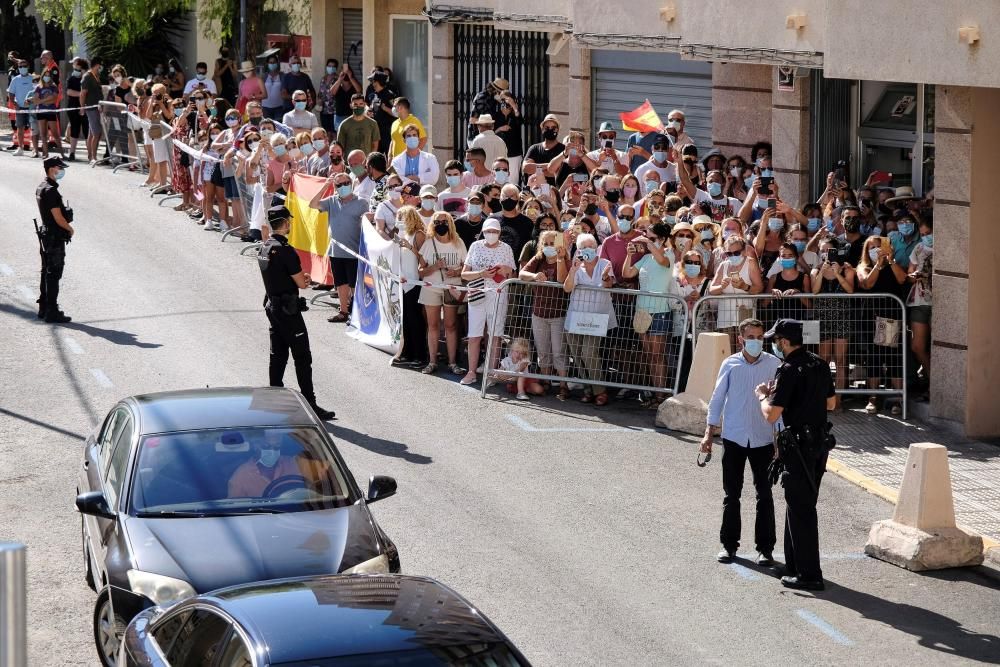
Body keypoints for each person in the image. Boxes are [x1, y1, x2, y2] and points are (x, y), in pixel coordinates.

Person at [758, 319, 837, 591]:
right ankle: (793, 565)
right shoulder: (819, 363)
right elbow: (831, 402)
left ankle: (809, 574)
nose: (774, 344)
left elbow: (772, 414)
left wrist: (763, 397)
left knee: (801, 508)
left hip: (799, 447)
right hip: (818, 444)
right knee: (800, 505)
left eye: (776, 340)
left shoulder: (789, 369)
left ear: (784, 341)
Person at [701, 318, 781, 565]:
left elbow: (779, 405)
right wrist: (708, 433)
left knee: (764, 495)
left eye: (760, 337)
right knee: (731, 494)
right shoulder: (730, 364)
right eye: (751, 337)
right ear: (741, 339)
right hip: (734, 437)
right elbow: (717, 399)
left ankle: (765, 550)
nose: (756, 341)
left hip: (763, 439)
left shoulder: (774, 364)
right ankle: (728, 545)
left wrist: (778, 441)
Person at [257, 207, 335, 420]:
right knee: (302, 357)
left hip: (272, 306)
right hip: (287, 310)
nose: (290, 224)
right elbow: (301, 282)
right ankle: (310, 404)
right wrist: (306, 279)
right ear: (284, 223)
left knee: (278, 354)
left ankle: (274, 400)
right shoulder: (285, 249)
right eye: (289, 221)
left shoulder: (265, 246)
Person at [460, 218, 516, 385]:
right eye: (488, 231)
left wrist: (506, 271)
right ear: (483, 232)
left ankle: (491, 373)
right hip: (477, 292)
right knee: (474, 335)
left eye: (495, 231)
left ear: (500, 233)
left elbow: (512, 276)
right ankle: (471, 372)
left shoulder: (506, 249)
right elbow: (464, 274)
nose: (491, 234)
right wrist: (481, 274)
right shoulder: (475, 247)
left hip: (498, 295)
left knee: (495, 335)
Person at [562, 233, 616, 405]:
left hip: (597, 317)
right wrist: (573, 270)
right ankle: (587, 389)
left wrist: (606, 277)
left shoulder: (605, 264)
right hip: (576, 315)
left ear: (596, 248)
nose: (588, 250)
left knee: (588, 352)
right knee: (577, 354)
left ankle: (600, 390)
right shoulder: (576, 265)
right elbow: (567, 288)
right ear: (579, 250)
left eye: (591, 246)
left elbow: (608, 285)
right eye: (584, 247)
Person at [309, 172, 370, 323]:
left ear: (351, 184)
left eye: (345, 183)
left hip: (354, 252)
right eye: (339, 185)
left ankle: (357, 314)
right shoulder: (331, 201)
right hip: (336, 251)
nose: (343, 187)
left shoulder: (362, 202)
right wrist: (325, 186)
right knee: (341, 284)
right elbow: (312, 204)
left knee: (354, 284)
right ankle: (343, 311)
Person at [418, 211, 467, 376]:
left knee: (451, 325)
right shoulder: (428, 243)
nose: (441, 225)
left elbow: (466, 267)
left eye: (444, 222)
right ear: (432, 224)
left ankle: (452, 362)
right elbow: (421, 271)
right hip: (431, 287)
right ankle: (432, 361)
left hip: (451, 288)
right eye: (437, 222)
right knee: (432, 325)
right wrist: (434, 267)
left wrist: (457, 272)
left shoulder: (458, 243)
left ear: (450, 223)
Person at [35, 157, 74, 323]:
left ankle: (44, 306)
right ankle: (51, 310)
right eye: (60, 168)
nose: (62, 171)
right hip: (54, 236)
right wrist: (70, 229)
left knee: (46, 271)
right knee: (54, 273)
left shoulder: (41, 187)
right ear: (52, 169)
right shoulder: (50, 190)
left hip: (47, 234)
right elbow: (57, 217)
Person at [906, 219, 933, 397]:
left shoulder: (947, 248)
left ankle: (934, 388)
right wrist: (915, 275)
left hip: (939, 300)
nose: (926, 238)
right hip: (919, 300)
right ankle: (934, 382)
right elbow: (909, 274)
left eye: (928, 233)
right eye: (922, 235)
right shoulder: (918, 248)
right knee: (917, 346)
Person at [522, 114, 564, 185]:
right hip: (535, 190)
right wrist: (551, 166)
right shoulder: (534, 148)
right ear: (542, 130)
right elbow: (526, 168)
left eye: (553, 128)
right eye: (547, 128)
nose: (550, 130)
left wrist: (536, 169)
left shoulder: (564, 150)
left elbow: (562, 173)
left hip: (555, 192)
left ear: (558, 130)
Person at [7, 59, 34, 157]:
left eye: (24, 66)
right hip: (20, 108)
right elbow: (10, 93)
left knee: (34, 128)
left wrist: (34, 103)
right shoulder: (15, 79)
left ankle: (35, 149)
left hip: (32, 108)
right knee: (20, 128)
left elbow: (38, 92)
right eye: (20, 67)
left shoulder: (33, 78)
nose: (22, 68)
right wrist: (15, 104)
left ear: (28, 66)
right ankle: (20, 148)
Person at [494, 90, 523, 177]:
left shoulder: (515, 114)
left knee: (512, 180)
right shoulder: (496, 115)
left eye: (506, 99)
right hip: (499, 153)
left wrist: (513, 105)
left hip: (513, 153)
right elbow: (490, 133)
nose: (503, 101)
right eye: (501, 99)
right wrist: (499, 129)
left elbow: (520, 121)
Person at [468, 77, 506, 142]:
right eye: (501, 93)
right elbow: (472, 120)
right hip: (477, 137)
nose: (501, 95)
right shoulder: (482, 98)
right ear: (496, 91)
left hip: (487, 136)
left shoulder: (493, 98)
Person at [366, 71, 396, 153]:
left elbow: (396, 113)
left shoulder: (389, 95)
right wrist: (369, 112)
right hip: (375, 130)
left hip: (386, 131)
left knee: (387, 153)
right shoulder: (375, 95)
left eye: (374, 81)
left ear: (379, 82)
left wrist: (385, 108)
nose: (372, 84)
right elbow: (371, 108)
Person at [328, 62, 361, 131]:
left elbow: (359, 90)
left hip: (352, 115)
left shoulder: (354, 83)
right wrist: (340, 79)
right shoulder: (337, 84)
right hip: (339, 115)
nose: (345, 74)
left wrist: (350, 77)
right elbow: (332, 92)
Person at [261, 56, 284, 120]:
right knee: (267, 128)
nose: (272, 64)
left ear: (277, 63)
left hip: (279, 107)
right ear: (267, 64)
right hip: (265, 108)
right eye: (270, 62)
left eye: (274, 62)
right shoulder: (263, 76)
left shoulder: (282, 75)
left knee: (278, 127)